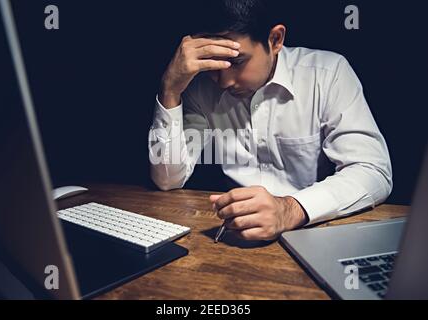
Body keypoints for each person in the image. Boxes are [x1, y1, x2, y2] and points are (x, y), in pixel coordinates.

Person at [148, 0, 392, 241]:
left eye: (236, 61)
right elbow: (168, 179)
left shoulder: (328, 74)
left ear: (275, 40)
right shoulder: (200, 88)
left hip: (317, 235)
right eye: (211, 62)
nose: (222, 81)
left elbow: (373, 171)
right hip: (233, 238)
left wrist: (289, 209)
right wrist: (170, 89)